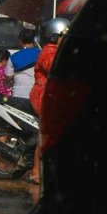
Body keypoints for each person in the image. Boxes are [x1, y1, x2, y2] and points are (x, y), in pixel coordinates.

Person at [26, 18, 70, 185]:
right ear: (54, 36)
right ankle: (35, 171)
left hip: (54, 96)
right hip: (42, 96)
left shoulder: (60, 50)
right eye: (63, 36)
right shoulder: (48, 51)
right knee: (47, 131)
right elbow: (56, 69)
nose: (66, 39)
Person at [5, 28, 40, 112]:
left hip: (19, 93)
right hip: (37, 92)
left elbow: (8, 76)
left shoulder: (13, 57)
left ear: (20, 41)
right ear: (33, 40)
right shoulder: (42, 53)